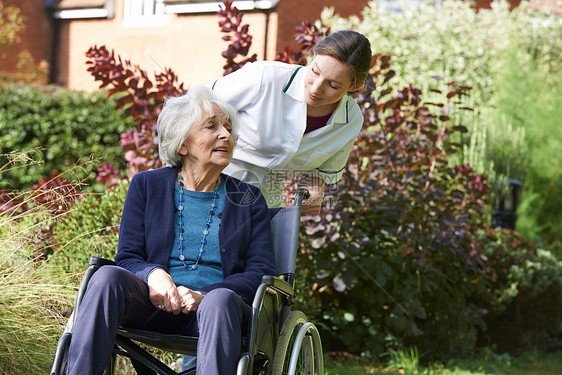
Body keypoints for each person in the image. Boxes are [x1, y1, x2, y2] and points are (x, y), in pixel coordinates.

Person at [65, 85, 275, 375]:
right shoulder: (147, 186)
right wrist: (154, 274)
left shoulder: (248, 198)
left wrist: (207, 294)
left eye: (227, 128)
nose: (226, 135)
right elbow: (127, 257)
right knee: (106, 277)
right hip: (153, 305)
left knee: (220, 300)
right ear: (182, 145)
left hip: (216, 314)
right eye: (211, 126)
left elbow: (260, 272)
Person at [211, 30, 372, 215]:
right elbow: (195, 108)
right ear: (313, 56)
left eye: (333, 85)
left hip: (269, 202)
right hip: (214, 181)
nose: (316, 88)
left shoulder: (351, 120)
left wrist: (315, 191)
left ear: (355, 86)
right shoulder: (266, 77)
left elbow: (324, 172)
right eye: (315, 71)